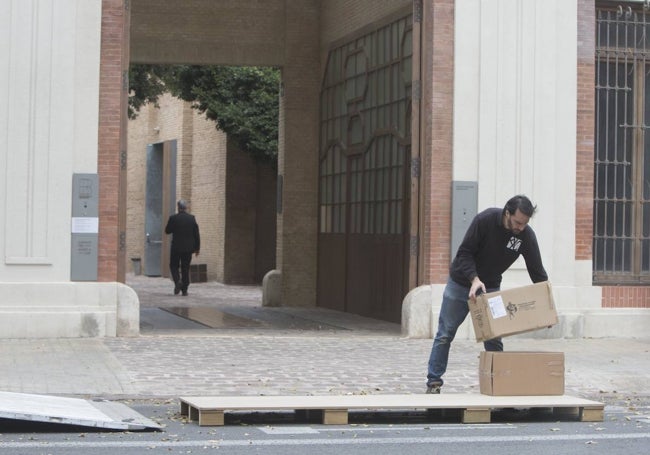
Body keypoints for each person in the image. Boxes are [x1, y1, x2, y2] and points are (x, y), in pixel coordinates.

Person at [425, 195, 548, 394]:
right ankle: (434, 382)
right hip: (461, 282)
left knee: (494, 338)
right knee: (445, 334)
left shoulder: (525, 236)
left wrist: (546, 307)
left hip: (489, 288)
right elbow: (464, 252)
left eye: (524, 224)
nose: (520, 227)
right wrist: (474, 279)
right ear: (507, 213)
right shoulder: (485, 220)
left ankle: (498, 384)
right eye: (517, 222)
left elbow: (537, 271)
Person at [165, 199, 200, 296]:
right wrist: (197, 248)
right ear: (186, 208)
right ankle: (185, 290)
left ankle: (177, 281)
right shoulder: (191, 218)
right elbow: (196, 235)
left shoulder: (173, 218)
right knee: (185, 267)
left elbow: (167, 231)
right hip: (188, 248)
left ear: (178, 207)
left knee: (173, 265)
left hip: (176, 247)